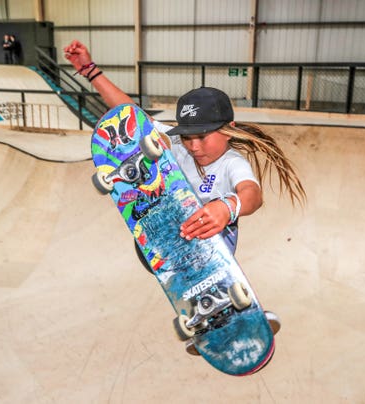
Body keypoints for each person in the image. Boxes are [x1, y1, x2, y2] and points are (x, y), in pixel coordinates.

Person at [65, 39, 303, 350]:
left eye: (203, 137)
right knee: (149, 153)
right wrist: (89, 70)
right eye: (187, 137)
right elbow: (129, 115)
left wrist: (228, 206)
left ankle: (215, 311)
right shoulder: (175, 146)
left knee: (209, 235)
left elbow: (252, 194)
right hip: (160, 242)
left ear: (228, 127)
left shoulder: (233, 163)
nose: (193, 147)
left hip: (213, 243)